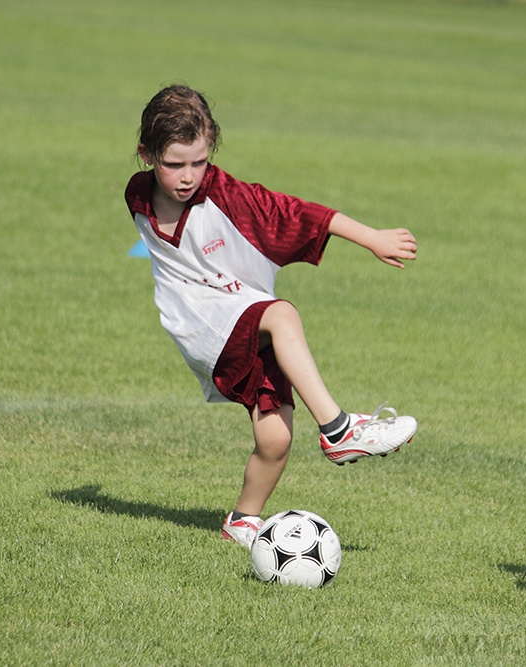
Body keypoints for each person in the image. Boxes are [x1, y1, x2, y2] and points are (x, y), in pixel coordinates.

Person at [125, 85, 418, 549]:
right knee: (282, 315)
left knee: (276, 436)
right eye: (174, 164)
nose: (187, 177)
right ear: (146, 154)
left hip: (235, 317)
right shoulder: (139, 193)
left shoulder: (227, 196)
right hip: (200, 321)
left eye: (199, 162)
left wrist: (371, 237)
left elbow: (295, 212)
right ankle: (339, 430)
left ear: (213, 151)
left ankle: (242, 521)